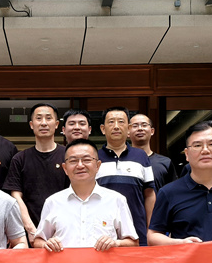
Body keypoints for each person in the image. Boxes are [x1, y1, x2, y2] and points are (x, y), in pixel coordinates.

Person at [34, 139, 138, 251]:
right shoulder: (52, 202)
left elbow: (133, 243)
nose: (80, 165)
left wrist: (116, 243)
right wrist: (46, 244)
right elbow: (38, 241)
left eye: (87, 160)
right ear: (65, 168)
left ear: (98, 165)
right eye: (73, 161)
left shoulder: (116, 200)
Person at [2, 103, 68, 243]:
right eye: (39, 118)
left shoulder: (68, 156)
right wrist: (31, 229)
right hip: (30, 233)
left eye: (48, 118)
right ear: (32, 125)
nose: (43, 123)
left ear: (56, 124)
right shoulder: (20, 159)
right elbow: (16, 196)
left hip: (64, 232)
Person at [96, 107, 155, 246]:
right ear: (103, 129)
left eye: (121, 122)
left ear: (128, 128)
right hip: (102, 234)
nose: (116, 126)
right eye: (111, 122)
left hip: (137, 231)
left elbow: (149, 194)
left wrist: (151, 229)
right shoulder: (94, 158)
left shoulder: (141, 156)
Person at [129, 113, 177, 191]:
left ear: (152, 131)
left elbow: (174, 192)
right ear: (128, 132)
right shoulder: (122, 161)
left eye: (144, 125)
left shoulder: (166, 162)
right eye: (135, 126)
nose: (140, 128)